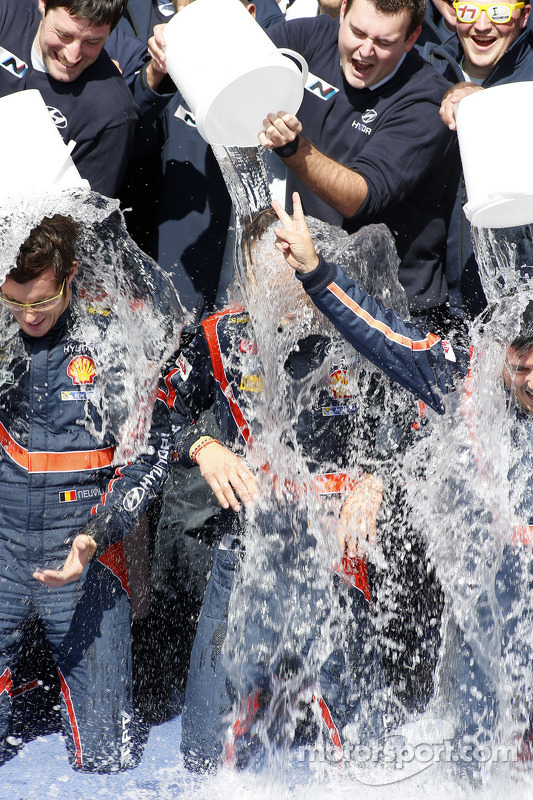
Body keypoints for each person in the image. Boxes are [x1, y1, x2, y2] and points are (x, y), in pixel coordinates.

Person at [271, 192, 533, 774]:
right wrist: (315, 271)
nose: (530, 380)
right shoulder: (465, 375)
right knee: (476, 756)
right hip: (490, 609)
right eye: (521, 364)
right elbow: (384, 335)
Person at [162, 210, 430, 772]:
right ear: (250, 278)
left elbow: (421, 403)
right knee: (203, 756)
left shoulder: (350, 331)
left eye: (292, 268)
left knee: (367, 747)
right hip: (249, 551)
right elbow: (154, 409)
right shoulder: (219, 336)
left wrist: (378, 475)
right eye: (269, 274)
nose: (283, 287)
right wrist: (201, 446)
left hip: (335, 549)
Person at [0, 205, 176, 771]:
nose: (27, 316)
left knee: (108, 757)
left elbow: (149, 457)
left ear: (71, 275)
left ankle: (48, 683)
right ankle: (26, 682)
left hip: (85, 556)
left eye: (42, 301)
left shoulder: (112, 339)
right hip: (4, 547)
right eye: (14, 301)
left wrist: (96, 536)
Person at [260, 0, 462, 328]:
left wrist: (294, 150)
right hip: (312, 292)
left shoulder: (426, 102)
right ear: (341, 12)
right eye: (357, 32)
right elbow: (239, 61)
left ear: (412, 39)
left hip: (394, 314)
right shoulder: (311, 37)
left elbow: (361, 196)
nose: (365, 51)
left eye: (384, 42)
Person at [425, 0, 533, 318]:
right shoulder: (427, 65)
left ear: (524, 15)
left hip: (518, 306)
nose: (482, 27)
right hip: (435, 304)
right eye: (470, 10)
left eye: (498, 12)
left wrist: (488, 110)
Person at [0, 0, 139, 197]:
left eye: (93, 42)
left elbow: (80, 222)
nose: (72, 56)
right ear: (43, 4)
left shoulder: (111, 113)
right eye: (64, 35)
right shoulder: (6, 14)